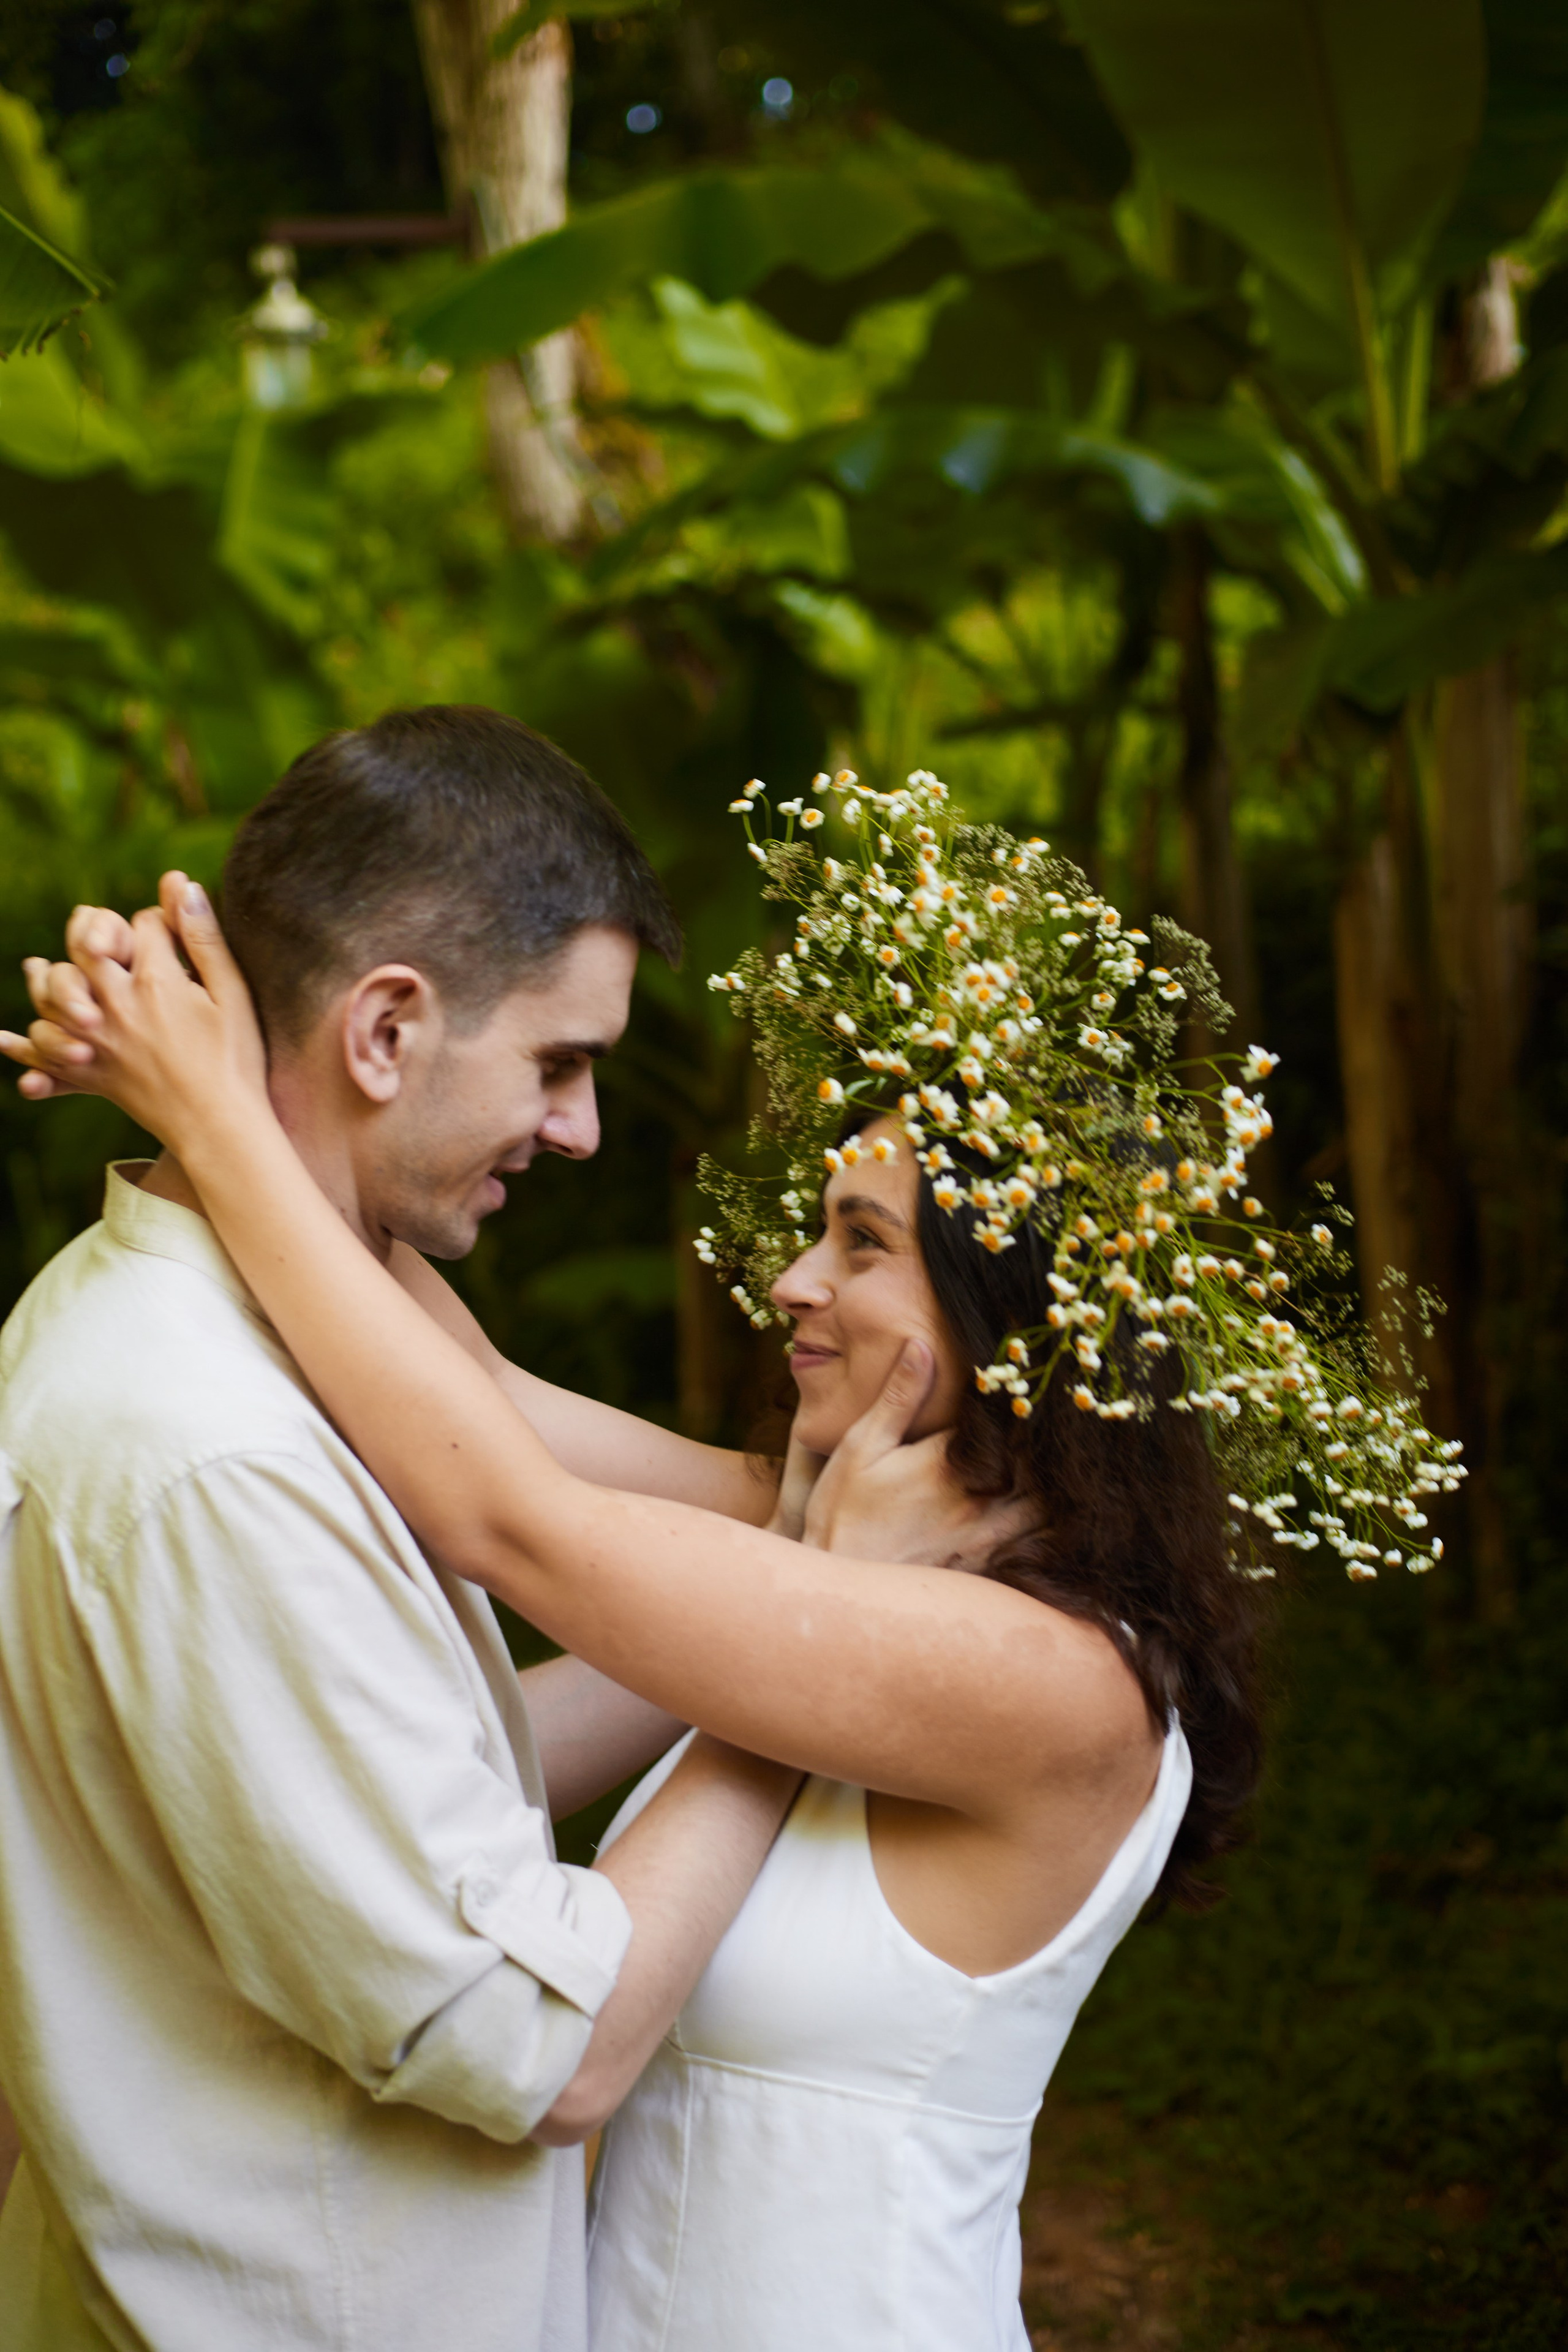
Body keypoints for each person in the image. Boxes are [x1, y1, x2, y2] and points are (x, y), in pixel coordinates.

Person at [5, 815, 1266, 2349]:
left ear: (1003, 1325)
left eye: (856, 1245)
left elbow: (502, 1505)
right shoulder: (810, 1557)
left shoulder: (1043, 1670)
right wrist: (255, 1087)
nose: (791, 1284)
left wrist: (220, 1121)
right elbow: (487, 1403)